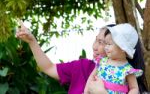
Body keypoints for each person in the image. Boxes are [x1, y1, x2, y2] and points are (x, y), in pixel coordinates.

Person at [16, 21, 148, 94]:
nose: (94, 46)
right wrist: (32, 41)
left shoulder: (128, 79)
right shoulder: (83, 66)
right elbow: (48, 67)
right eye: (96, 40)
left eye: (102, 42)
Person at [84, 23, 148, 94]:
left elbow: (134, 88)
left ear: (122, 48)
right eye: (105, 43)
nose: (106, 47)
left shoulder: (128, 70)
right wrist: (85, 92)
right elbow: (92, 76)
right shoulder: (102, 61)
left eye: (109, 44)